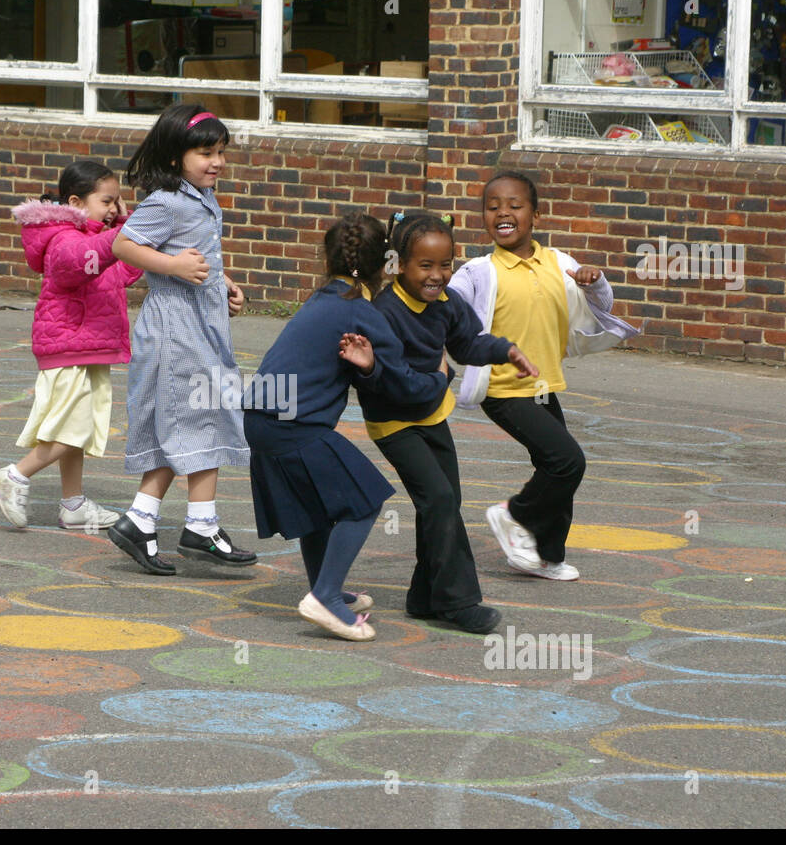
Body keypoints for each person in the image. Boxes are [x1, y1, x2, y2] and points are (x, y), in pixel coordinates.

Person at [243, 213, 457, 641]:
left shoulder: (322, 298)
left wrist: (371, 366)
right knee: (362, 501)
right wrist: (441, 376)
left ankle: (329, 591)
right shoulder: (361, 312)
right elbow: (406, 387)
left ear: (329, 257)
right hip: (295, 425)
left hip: (260, 418)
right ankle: (323, 597)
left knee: (316, 509)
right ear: (388, 264)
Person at [449, 172, 639, 580]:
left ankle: (548, 556)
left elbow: (601, 305)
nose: (503, 212)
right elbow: (446, 313)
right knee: (568, 460)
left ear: (535, 213)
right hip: (502, 388)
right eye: (493, 205)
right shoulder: (477, 272)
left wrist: (595, 281)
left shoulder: (559, 262)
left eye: (514, 205)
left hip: (543, 386)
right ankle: (511, 515)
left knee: (556, 471)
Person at [359, 211, 537, 631]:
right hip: (394, 422)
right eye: (426, 265)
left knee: (444, 503)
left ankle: (424, 596)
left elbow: (467, 342)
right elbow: (396, 384)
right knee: (437, 498)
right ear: (398, 264)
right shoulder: (385, 313)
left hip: (431, 415)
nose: (438, 275)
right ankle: (458, 602)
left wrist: (504, 350)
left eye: (446, 264)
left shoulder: (446, 303)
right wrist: (443, 377)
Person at [106, 103, 251, 575]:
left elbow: (203, 255)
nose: (217, 161)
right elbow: (123, 244)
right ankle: (198, 527)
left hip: (200, 323)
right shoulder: (166, 202)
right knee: (200, 414)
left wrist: (221, 283)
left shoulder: (204, 198)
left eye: (221, 152)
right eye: (205, 152)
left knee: (188, 421)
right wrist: (173, 267)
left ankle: (144, 521)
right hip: (175, 329)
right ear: (174, 157)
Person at [0, 160, 143, 531]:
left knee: (78, 425)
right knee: (76, 428)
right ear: (75, 201)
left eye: (117, 202)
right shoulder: (62, 238)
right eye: (107, 201)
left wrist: (124, 226)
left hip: (89, 345)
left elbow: (124, 270)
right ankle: (15, 475)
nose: (113, 209)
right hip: (67, 347)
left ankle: (73, 504)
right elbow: (80, 262)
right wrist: (123, 233)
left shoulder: (93, 235)